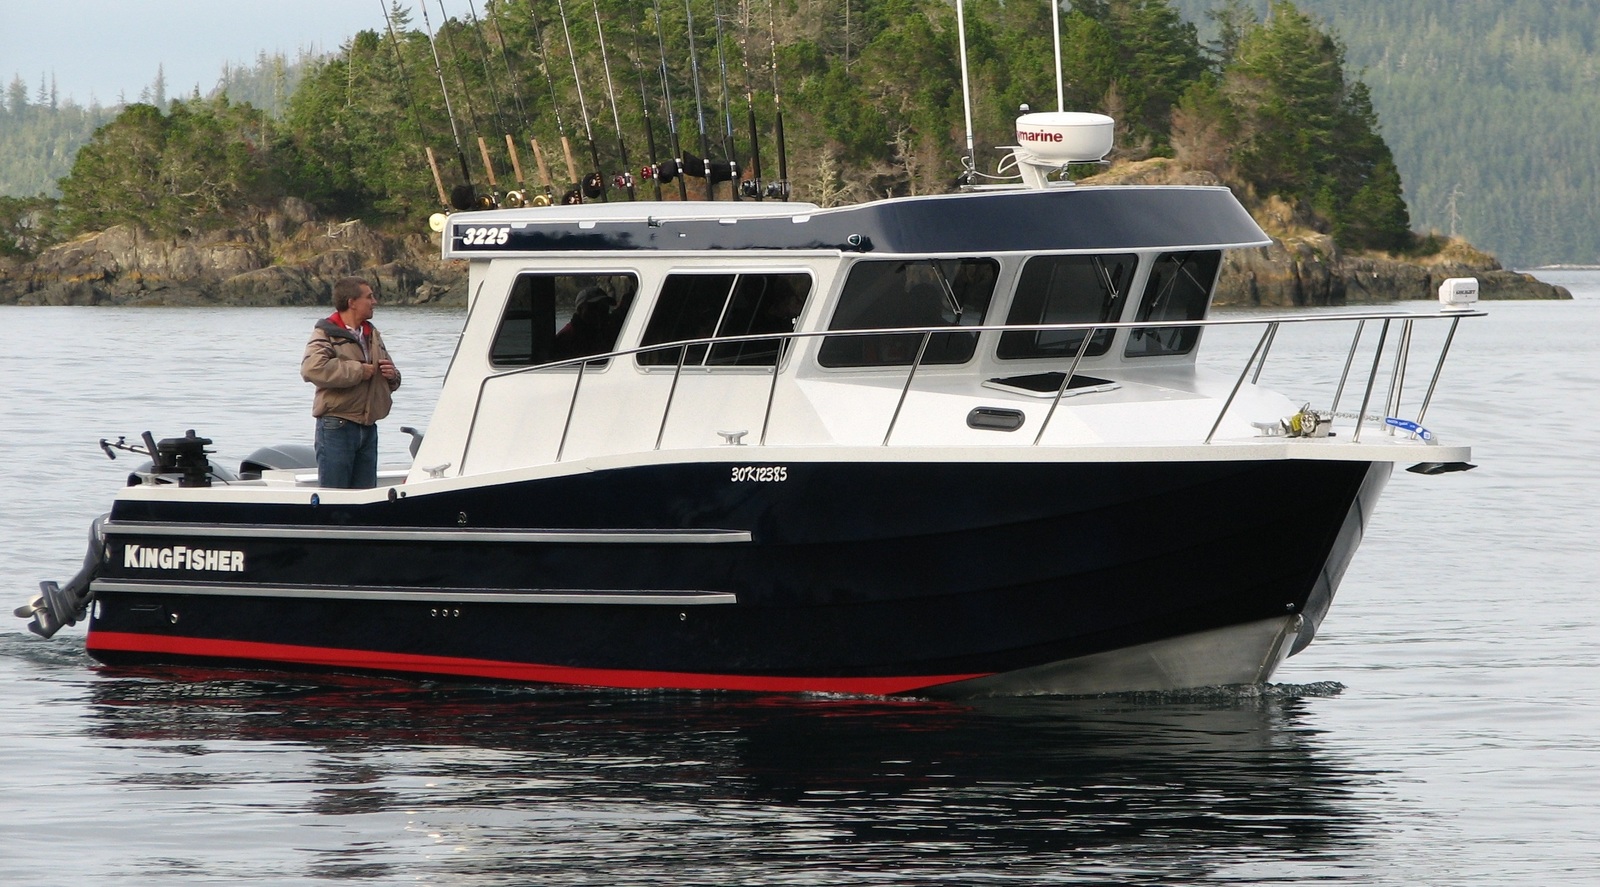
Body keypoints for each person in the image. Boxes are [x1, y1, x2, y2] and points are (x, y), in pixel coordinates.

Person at [300, 276, 401, 489]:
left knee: (365, 499)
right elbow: (312, 369)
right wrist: (358, 370)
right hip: (337, 427)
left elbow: (389, 375)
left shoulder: (371, 334)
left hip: (368, 428)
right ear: (351, 302)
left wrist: (393, 376)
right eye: (369, 297)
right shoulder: (326, 333)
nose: (375, 302)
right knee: (334, 499)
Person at [553, 286, 617, 360]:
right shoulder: (566, 338)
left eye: (604, 307)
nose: (600, 312)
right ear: (580, 309)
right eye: (594, 307)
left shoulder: (605, 332)